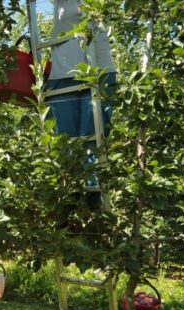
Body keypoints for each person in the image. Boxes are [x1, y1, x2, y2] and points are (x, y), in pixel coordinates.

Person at [46, 0, 117, 202]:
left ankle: (94, 209)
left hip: (99, 72)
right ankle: (69, 207)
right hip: (61, 75)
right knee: (66, 145)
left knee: (93, 141)